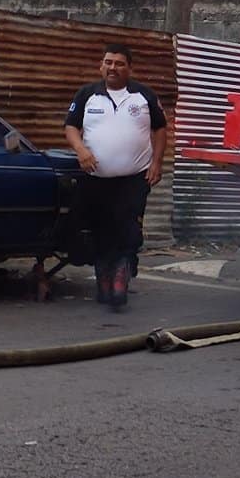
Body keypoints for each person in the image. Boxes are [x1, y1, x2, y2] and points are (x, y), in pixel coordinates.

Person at [63, 43, 167, 311]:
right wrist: (81, 150)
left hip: (134, 178)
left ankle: (122, 275)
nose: (113, 68)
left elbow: (160, 129)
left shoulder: (144, 95)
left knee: (128, 227)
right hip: (95, 178)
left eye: (119, 63)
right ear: (101, 66)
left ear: (129, 68)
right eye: (108, 62)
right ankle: (104, 278)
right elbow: (71, 127)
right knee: (100, 229)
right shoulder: (87, 94)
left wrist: (157, 162)